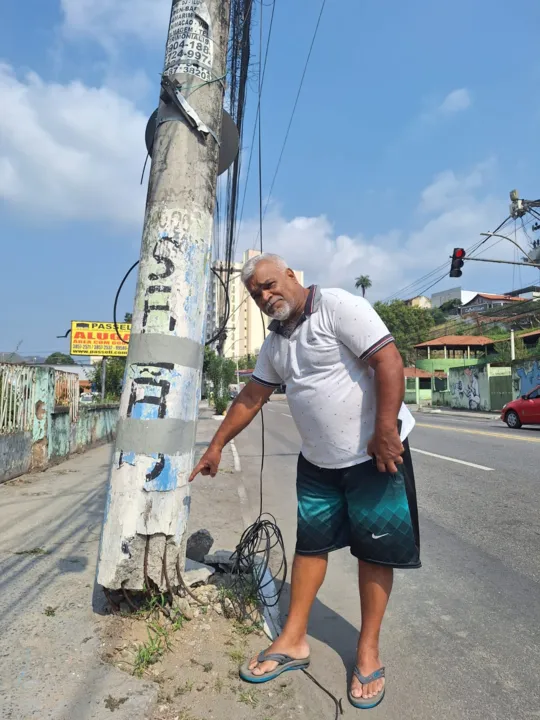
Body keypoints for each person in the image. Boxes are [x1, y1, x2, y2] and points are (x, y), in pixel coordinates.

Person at [190, 253, 421, 710]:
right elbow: (252, 396)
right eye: (256, 293)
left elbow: (389, 362)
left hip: (373, 455)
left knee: (374, 551)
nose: (265, 296)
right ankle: (293, 639)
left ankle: (367, 650)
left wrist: (386, 431)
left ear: (292, 276)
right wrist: (216, 445)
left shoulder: (336, 307)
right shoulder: (275, 343)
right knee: (309, 548)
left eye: (270, 284)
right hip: (318, 463)